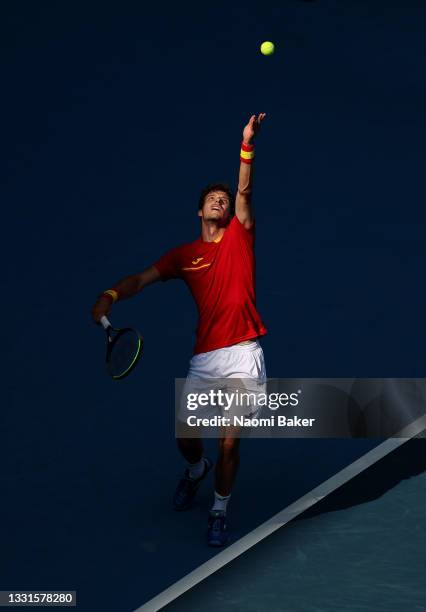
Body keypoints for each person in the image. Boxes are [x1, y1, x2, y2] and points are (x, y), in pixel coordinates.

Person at [91, 113, 268, 546]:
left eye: (223, 200)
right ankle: (196, 471)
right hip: (206, 355)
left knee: (229, 442)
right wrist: (111, 295)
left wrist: (246, 143)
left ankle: (219, 511)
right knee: (186, 437)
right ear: (200, 210)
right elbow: (141, 279)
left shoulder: (239, 236)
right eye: (212, 198)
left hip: (243, 351)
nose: (220, 201)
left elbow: (243, 187)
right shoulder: (182, 255)